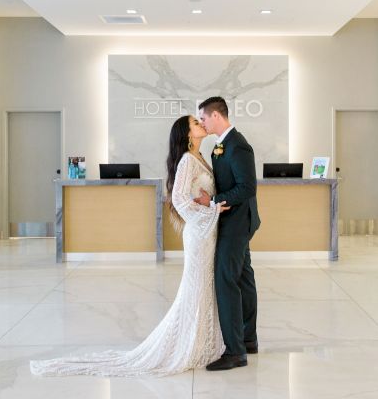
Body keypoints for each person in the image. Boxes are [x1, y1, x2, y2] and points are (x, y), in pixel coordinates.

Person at [30, 115, 229, 377]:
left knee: (205, 285)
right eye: (195, 123)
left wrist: (210, 204)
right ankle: (188, 344)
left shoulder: (201, 157)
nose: (201, 124)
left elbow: (198, 196)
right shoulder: (186, 161)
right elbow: (179, 200)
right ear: (186, 134)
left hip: (208, 232)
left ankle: (203, 341)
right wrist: (211, 211)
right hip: (199, 233)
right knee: (196, 285)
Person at [196, 96, 261, 371]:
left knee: (226, 281)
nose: (201, 122)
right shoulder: (220, 145)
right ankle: (248, 340)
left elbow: (247, 188)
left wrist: (212, 202)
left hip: (236, 224)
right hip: (232, 220)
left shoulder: (238, 146)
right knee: (244, 278)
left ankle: (235, 352)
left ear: (216, 116)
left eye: (203, 118)